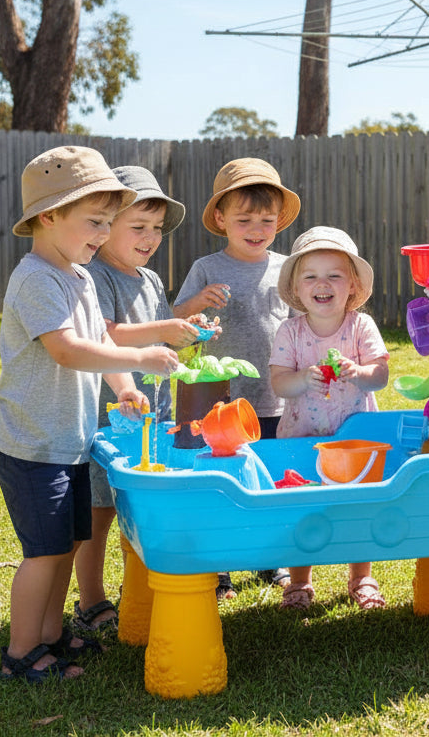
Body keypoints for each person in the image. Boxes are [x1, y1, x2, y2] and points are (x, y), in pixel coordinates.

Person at [0, 146, 180, 683]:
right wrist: (139, 358)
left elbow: (96, 338)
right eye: (94, 222)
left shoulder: (78, 275)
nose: (102, 233)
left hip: (68, 442)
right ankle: (21, 653)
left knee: (66, 546)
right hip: (32, 446)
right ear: (48, 216)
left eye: (106, 223)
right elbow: (69, 350)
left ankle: (50, 635)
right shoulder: (36, 278)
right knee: (44, 554)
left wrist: (122, 386)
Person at [73, 166, 205, 636]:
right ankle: (91, 600)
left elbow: (159, 342)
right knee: (98, 512)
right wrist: (164, 329)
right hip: (108, 417)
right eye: (138, 227)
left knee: (140, 506)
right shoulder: (95, 277)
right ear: (106, 228)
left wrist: (187, 334)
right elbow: (106, 334)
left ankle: (142, 590)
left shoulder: (149, 279)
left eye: (156, 229)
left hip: (154, 416)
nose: (150, 238)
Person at [173, 156, 301, 597]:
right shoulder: (208, 268)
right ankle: (221, 563)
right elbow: (172, 321)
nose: (256, 228)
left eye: (266, 219)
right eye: (244, 218)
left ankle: (271, 559)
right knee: (220, 480)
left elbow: (301, 323)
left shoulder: (286, 268)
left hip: (273, 397)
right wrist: (195, 304)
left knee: (269, 477)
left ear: (279, 220)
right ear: (221, 219)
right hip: (218, 399)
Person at [269, 226, 390, 611]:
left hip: (355, 437)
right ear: (298, 288)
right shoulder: (290, 331)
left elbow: (382, 374)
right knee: (303, 506)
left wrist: (361, 372)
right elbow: (278, 384)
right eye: (311, 276)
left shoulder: (361, 326)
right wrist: (302, 378)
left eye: (334, 275)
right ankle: (299, 582)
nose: (323, 284)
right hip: (301, 436)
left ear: (352, 285)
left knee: (359, 505)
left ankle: (361, 577)